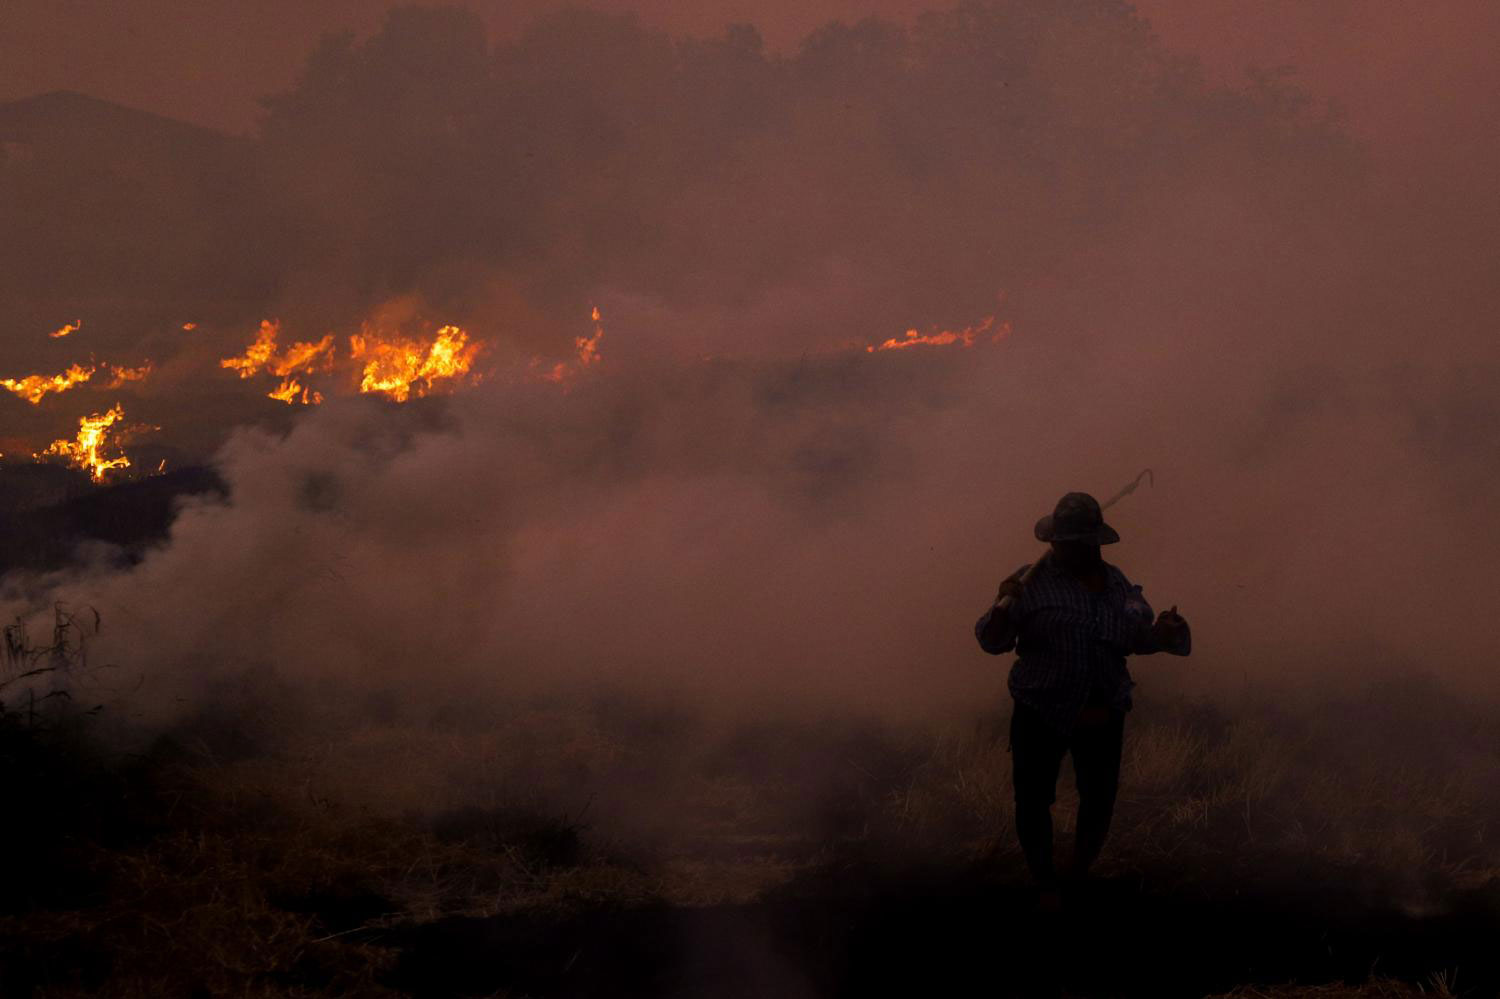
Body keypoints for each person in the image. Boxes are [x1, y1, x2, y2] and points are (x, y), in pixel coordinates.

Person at [975, 491, 1190, 909]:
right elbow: (991, 640)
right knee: (1034, 797)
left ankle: (1078, 873)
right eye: (1060, 541)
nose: (1064, 549)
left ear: (1093, 542)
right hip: (1042, 709)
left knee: (1099, 796)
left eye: (1074, 542)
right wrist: (1001, 606)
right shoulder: (1028, 583)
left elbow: (1135, 638)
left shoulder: (1118, 586)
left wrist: (1164, 633)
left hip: (1102, 709)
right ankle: (1044, 881)